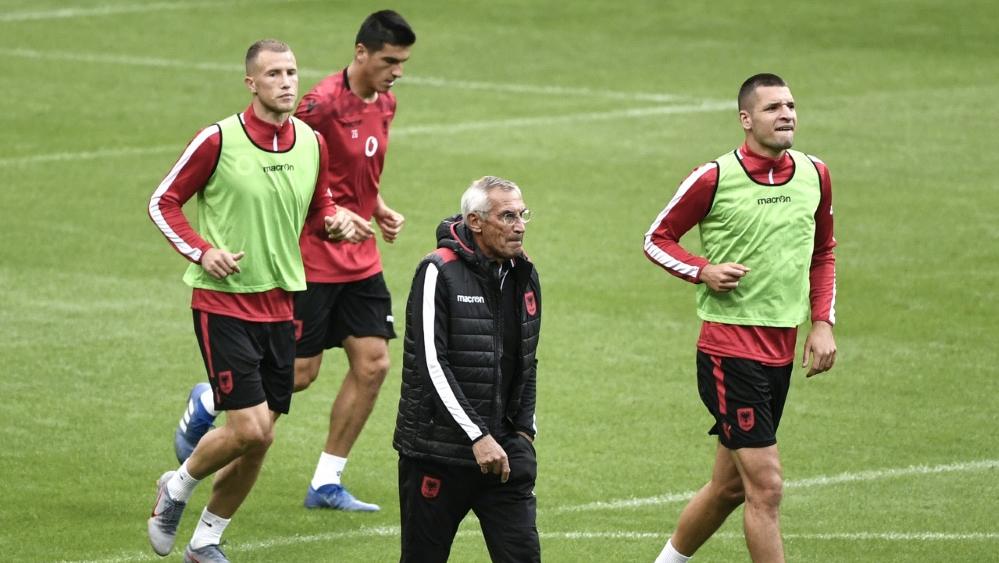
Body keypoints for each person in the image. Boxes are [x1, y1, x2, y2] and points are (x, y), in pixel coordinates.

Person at [171, 9, 416, 513]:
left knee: (373, 364)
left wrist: (377, 207)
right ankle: (212, 400)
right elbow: (286, 172)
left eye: (404, 62)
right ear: (361, 54)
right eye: (390, 60)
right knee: (298, 376)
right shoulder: (319, 105)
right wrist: (336, 214)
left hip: (361, 257)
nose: (398, 71)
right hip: (312, 261)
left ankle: (327, 481)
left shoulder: (385, 102)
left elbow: (357, 171)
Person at [146, 39, 359, 562]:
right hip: (223, 302)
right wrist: (202, 250)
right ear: (251, 83)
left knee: (259, 440)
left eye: (291, 72)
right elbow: (163, 201)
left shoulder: (312, 141)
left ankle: (205, 542)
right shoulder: (218, 140)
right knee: (249, 427)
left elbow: (317, 209)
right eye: (273, 74)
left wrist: (335, 223)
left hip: (283, 304)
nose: (286, 82)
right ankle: (174, 488)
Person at [643, 73, 837, 563]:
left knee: (728, 488)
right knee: (766, 489)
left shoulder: (816, 173)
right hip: (729, 353)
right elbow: (656, 239)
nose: (787, 114)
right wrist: (702, 270)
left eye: (791, 105)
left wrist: (822, 323)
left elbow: (823, 253)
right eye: (773, 108)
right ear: (746, 120)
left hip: (781, 352)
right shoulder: (713, 177)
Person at [393, 176, 542, 563]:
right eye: (507, 216)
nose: (520, 225)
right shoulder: (437, 271)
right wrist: (477, 435)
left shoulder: (523, 274)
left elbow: (527, 360)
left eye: (522, 214)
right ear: (475, 222)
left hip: (505, 457)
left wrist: (523, 434)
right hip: (438, 455)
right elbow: (430, 363)